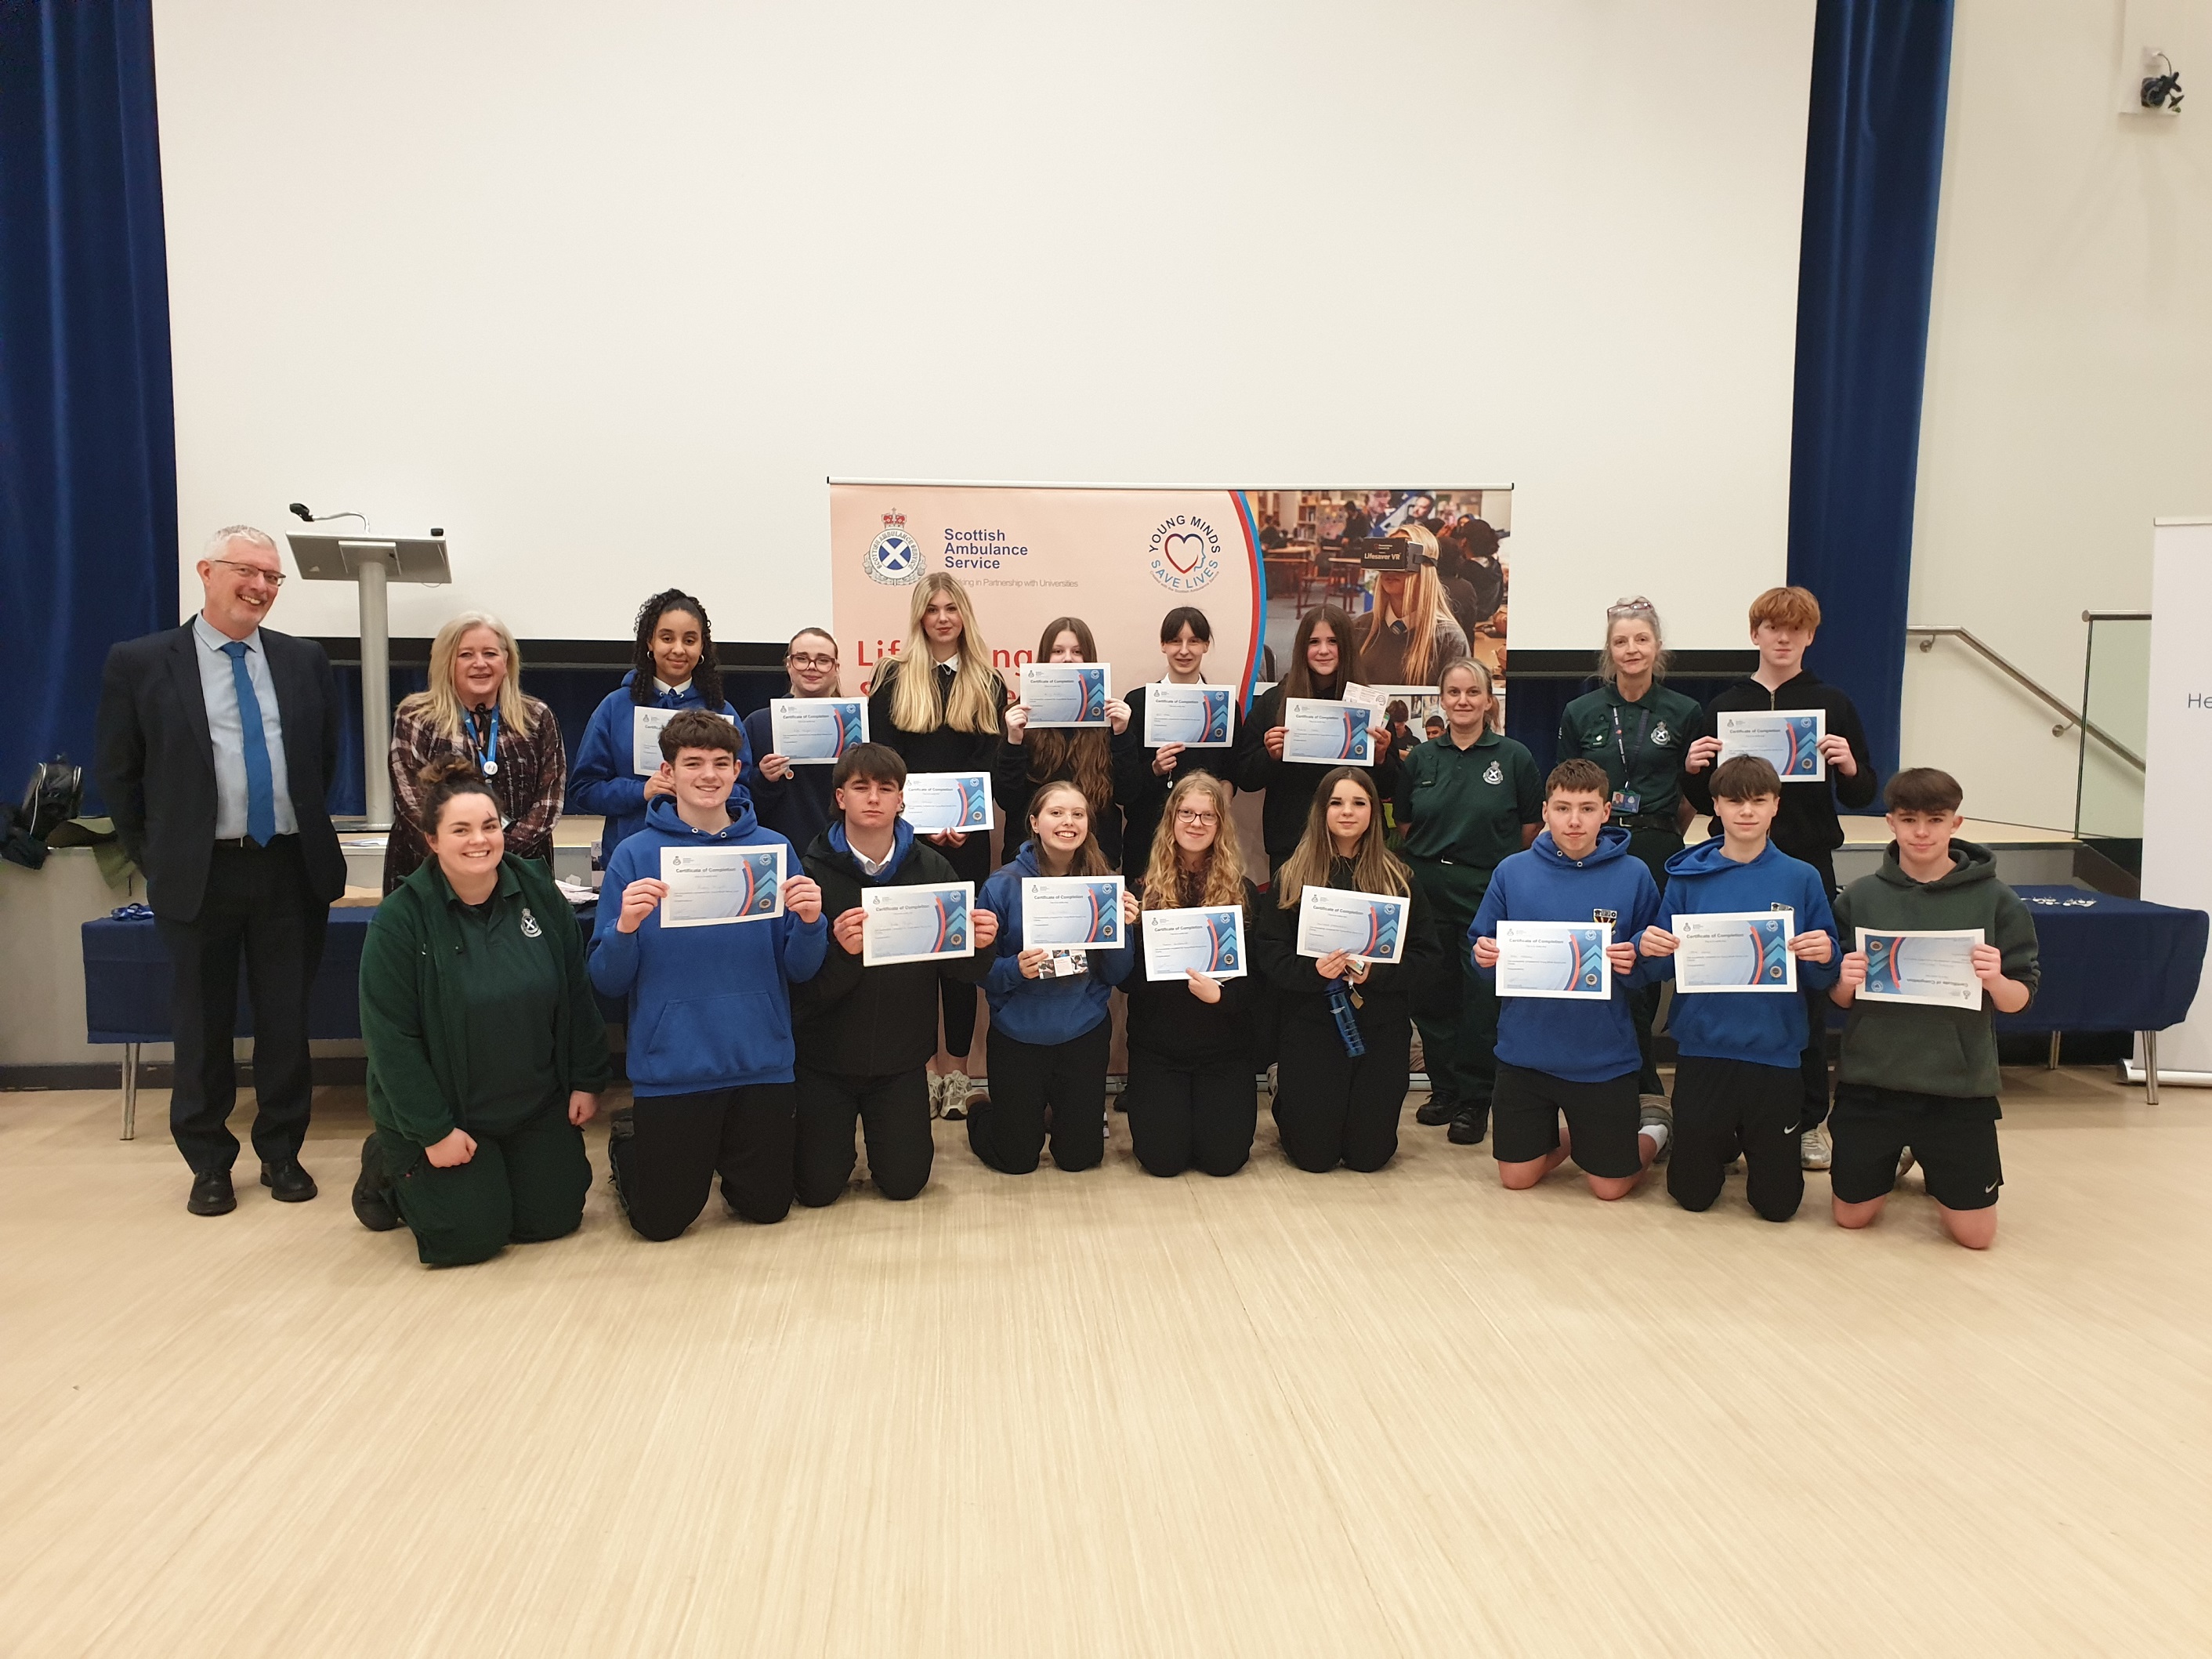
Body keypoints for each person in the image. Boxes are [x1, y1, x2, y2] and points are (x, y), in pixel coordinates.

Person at [94, 525, 347, 1216]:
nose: (261, 587)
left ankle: (281, 1152)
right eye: (247, 571)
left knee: (286, 1021)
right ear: (206, 571)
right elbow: (120, 778)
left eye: (272, 577)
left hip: (288, 868)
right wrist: (158, 855)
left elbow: (321, 760)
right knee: (201, 1026)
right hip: (198, 871)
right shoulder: (142, 662)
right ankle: (208, 1162)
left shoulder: (303, 661)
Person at [352, 758, 610, 1265]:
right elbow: (391, 1041)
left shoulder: (538, 891)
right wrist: (433, 1131)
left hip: (531, 1102)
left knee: (552, 1219)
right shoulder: (401, 920)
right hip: (451, 1113)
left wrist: (586, 1078)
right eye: (461, 829)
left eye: (489, 826)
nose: (479, 840)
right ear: (431, 840)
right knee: (470, 1238)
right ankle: (386, 1162)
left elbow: (576, 992)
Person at [588, 711, 827, 1241]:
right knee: (661, 1223)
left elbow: (800, 968)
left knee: (767, 1208)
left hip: (759, 1059)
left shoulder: (773, 849)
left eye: (721, 763)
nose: (708, 775)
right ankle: (631, 1143)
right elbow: (607, 980)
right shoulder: (634, 855)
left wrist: (812, 922)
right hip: (674, 1064)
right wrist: (625, 926)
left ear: (738, 770)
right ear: (668, 772)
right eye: (692, 763)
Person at [1680, 585, 1878, 1174]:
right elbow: (1701, 798)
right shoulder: (1723, 704)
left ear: (1809, 637)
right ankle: (1722, 1111)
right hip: (1729, 868)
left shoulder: (1831, 703)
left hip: (1805, 865)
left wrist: (1846, 763)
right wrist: (1691, 769)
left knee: (1807, 991)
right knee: (1729, 980)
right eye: (1772, 627)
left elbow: (1864, 790)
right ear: (1755, 635)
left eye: (1795, 629)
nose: (1783, 638)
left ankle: (1807, 1119)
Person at [1827, 769, 2038, 1250]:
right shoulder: (1861, 896)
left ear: (1956, 824)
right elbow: (1838, 1000)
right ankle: (1898, 1154)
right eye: (1909, 820)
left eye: (1935, 820)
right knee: (1851, 1218)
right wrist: (1846, 980)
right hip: (1873, 1082)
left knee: (1975, 1237)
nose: (1921, 832)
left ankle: (1932, 1159)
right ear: (1890, 824)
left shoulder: (1996, 899)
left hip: (1958, 1088)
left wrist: (1996, 979)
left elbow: (2021, 998)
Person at [792, 743, 999, 1207]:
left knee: (905, 1185)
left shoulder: (933, 869)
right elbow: (801, 989)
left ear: (901, 800)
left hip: (902, 1061)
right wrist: (841, 953)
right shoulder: (809, 874)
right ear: (840, 797)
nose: (873, 798)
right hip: (825, 1060)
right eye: (860, 787)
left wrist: (983, 945)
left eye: (886, 789)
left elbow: (961, 971)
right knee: (817, 1191)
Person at [1636, 756, 1839, 1223]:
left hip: (1774, 1052)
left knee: (1777, 1206)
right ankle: (1717, 1139)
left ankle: (1747, 1141)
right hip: (1705, 1050)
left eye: (1758, 801)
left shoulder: (1802, 877)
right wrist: (1650, 946)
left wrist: (1824, 955)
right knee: (1692, 1195)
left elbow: (1822, 975)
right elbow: (1660, 966)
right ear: (1716, 807)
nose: (1746, 811)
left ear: (1775, 807)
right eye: (1734, 801)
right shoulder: (1688, 877)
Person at [1469, 759, 1671, 1201]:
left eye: (1586, 808)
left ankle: (1655, 1127)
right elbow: (1480, 951)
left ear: (1606, 813)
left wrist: (1638, 955)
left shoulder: (1635, 874)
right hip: (1525, 1054)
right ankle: (1584, 1138)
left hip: (1602, 1056)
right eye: (1562, 808)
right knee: (1516, 1179)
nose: (1574, 820)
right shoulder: (1512, 872)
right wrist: (1483, 955)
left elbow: (1658, 963)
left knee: (1610, 1188)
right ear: (1545, 811)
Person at [1250, 766, 1444, 1174]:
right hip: (1311, 1025)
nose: (1347, 812)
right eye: (1336, 803)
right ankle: (1284, 1087)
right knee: (1314, 1158)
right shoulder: (1292, 875)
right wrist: (1313, 971)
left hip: (1380, 1027)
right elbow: (1269, 951)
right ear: (1321, 811)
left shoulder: (1400, 879)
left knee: (1369, 1158)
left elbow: (1427, 958)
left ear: (1374, 811)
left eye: (1359, 803)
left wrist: (1378, 974)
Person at [867, 573, 1008, 1121]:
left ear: (963, 615)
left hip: (966, 839)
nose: (943, 617)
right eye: (933, 609)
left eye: (952, 608)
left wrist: (957, 820)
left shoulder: (988, 681)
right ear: (919, 616)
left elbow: (988, 761)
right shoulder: (892, 676)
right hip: (905, 841)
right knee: (916, 954)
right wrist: (919, 823)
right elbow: (883, 757)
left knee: (960, 956)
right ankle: (921, 1073)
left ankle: (956, 1074)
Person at [1555, 596, 1700, 1114]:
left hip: (1658, 845)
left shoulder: (1683, 711)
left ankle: (1641, 1083)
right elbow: (1566, 786)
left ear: (1656, 646)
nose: (1631, 649)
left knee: (1642, 965)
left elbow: (1689, 794)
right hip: (1595, 848)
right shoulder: (1581, 712)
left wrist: (1653, 824)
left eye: (1641, 639)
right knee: (1599, 962)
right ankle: (1607, 1078)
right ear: (1608, 650)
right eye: (1621, 641)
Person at [1395, 660, 1541, 1146]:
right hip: (1427, 888)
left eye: (1472, 692)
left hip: (1486, 891)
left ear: (1488, 700)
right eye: (1453, 692)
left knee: (1481, 1000)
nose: (1462, 701)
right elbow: (1406, 826)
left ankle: (1476, 1101)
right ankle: (1444, 1091)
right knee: (1431, 996)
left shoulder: (1514, 757)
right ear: (1441, 699)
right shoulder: (1420, 758)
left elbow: (1528, 829)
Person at [970, 780, 1139, 1175]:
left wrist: (1124, 928)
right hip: (1018, 1035)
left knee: (1080, 1160)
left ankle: (1051, 1116)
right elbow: (979, 972)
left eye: (1078, 814)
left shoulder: (1103, 885)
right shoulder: (1001, 886)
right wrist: (1015, 968)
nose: (1068, 822)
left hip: (1082, 1032)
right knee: (1016, 1160)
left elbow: (1118, 974)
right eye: (1056, 813)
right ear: (1034, 822)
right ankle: (982, 1111)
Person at [1124, 773, 1263, 1178]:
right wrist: (1130, 936)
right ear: (1171, 821)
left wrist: (1222, 997)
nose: (1196, 823)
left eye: (1207, 815)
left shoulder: (1244, 892)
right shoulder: (1141, 891)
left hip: (1224, 1050)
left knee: (1224, 1162)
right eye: (1186, 813)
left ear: (1221, 825)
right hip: (1159, 1049)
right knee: (1162, 1162)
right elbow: (1123, 982)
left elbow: (1259, 982)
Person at [382, 611, 565, 892]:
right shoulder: (415, 716)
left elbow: (550, 800)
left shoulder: (537, 718)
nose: (480, 664)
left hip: (521, 870)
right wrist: (463, 852)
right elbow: (411, 801)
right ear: (447, 662)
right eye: (466, 655)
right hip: (433, 872)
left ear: (506, 662)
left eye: (490, 653)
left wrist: (496, 851)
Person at [569, 589, 754, 864]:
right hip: (635, 857)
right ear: (650, 643)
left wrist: (701, 786)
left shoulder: (721, 712)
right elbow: (584, 789)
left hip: (708, 857)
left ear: (702, 648)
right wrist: (642, 791)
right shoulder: (616, 707)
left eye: (690, 640)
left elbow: (744, 790)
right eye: (667, 638)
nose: (678, 649)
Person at [1234, 605, 1396, 876]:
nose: (1324, 650)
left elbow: (1391, 787)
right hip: (1291, 843)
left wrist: (1381, 758)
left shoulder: (1367, 706)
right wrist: (1269, 756)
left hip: (1355, 846)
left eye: (1333, 641)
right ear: (1301, 648)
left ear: (1346, 646)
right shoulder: (1274, 702)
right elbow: (1245, 778)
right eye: (1314, 642)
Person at [996, 614, 1135, 868]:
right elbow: (1008, 800)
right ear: (1044, 658)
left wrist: (1122, 735)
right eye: (1058, 651)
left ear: (1089, 658)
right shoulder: (1019, 716)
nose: (1068, 658)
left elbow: (1128, 794)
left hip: (1097, 860)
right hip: (1030, 862)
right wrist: (1014, 741)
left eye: (1078, 651)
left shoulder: (1109, 717)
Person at [1117, 606, 1243, 880]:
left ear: (1206, 646)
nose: (1184, 650)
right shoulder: (1138, 703)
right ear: (1163, 645)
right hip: (1147, 839)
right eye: (1175, 641)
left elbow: (1232, 773)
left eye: (1194, 641)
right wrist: (1154, 769)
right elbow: (1123, 789)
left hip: (1204, 843)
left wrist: (1224, 795)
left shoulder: (1224, 708)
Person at [744, 626, 844, 854]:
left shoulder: (855, 726)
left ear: (836, 668)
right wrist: (764, 779)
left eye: (823, 660)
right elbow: (740, 801)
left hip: (841, 854)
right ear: (788, 664)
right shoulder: (758, 724)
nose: (812, 667)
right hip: (779, 849)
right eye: (802, 659)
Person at [1352, 525, 1469, 686]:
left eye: (1401, 557)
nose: (1390, 569)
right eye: (1387, 556)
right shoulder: (1359, 629)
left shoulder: (1449, 639)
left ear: (1424, 566)